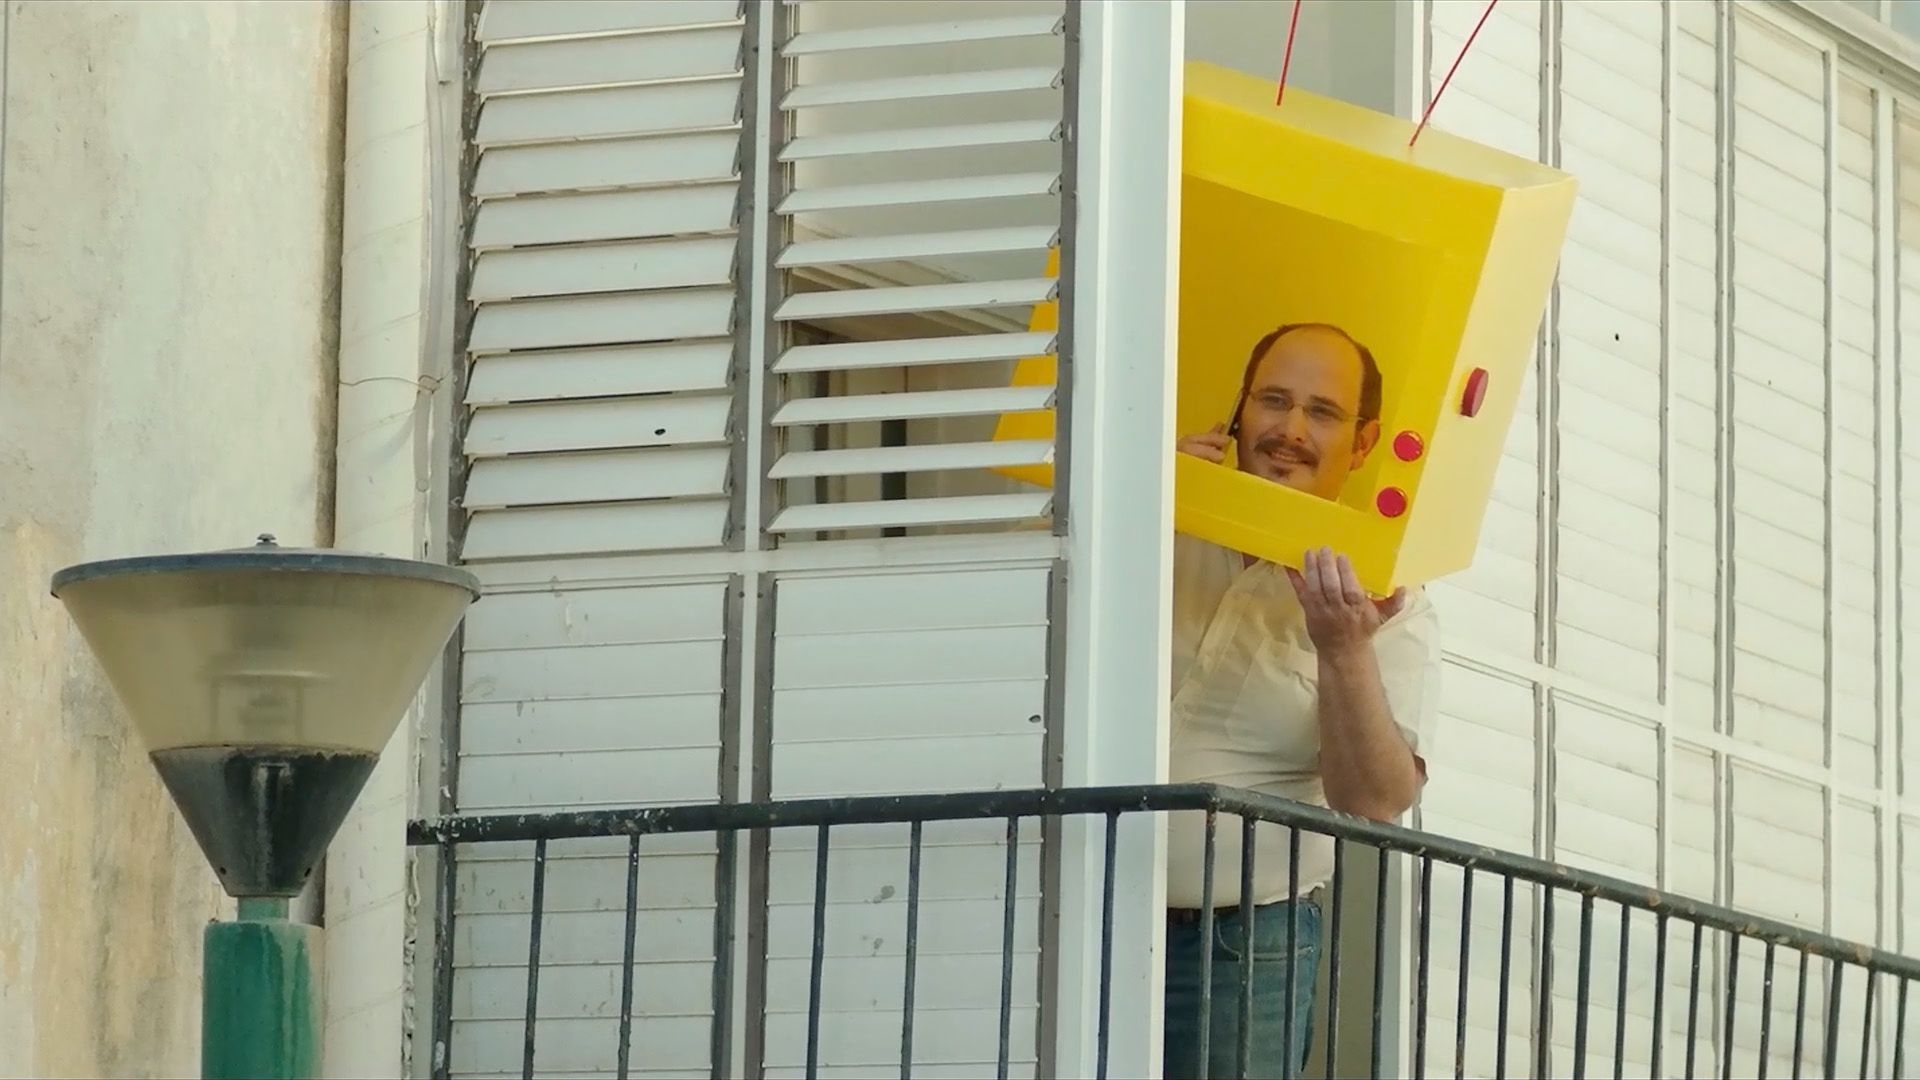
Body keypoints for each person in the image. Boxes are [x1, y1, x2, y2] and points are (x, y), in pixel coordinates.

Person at [1163, 322, 1442, 1079]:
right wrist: (1121, 502)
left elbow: (1374, 801)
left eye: (1322, 412)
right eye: (1274, 401)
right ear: (1238, 411)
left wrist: (1344, 648)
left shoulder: (1388, 598)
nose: (1289, 430)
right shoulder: (1152, 513)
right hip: (1067, 907)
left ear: (1362, 443)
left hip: (1242, 953)